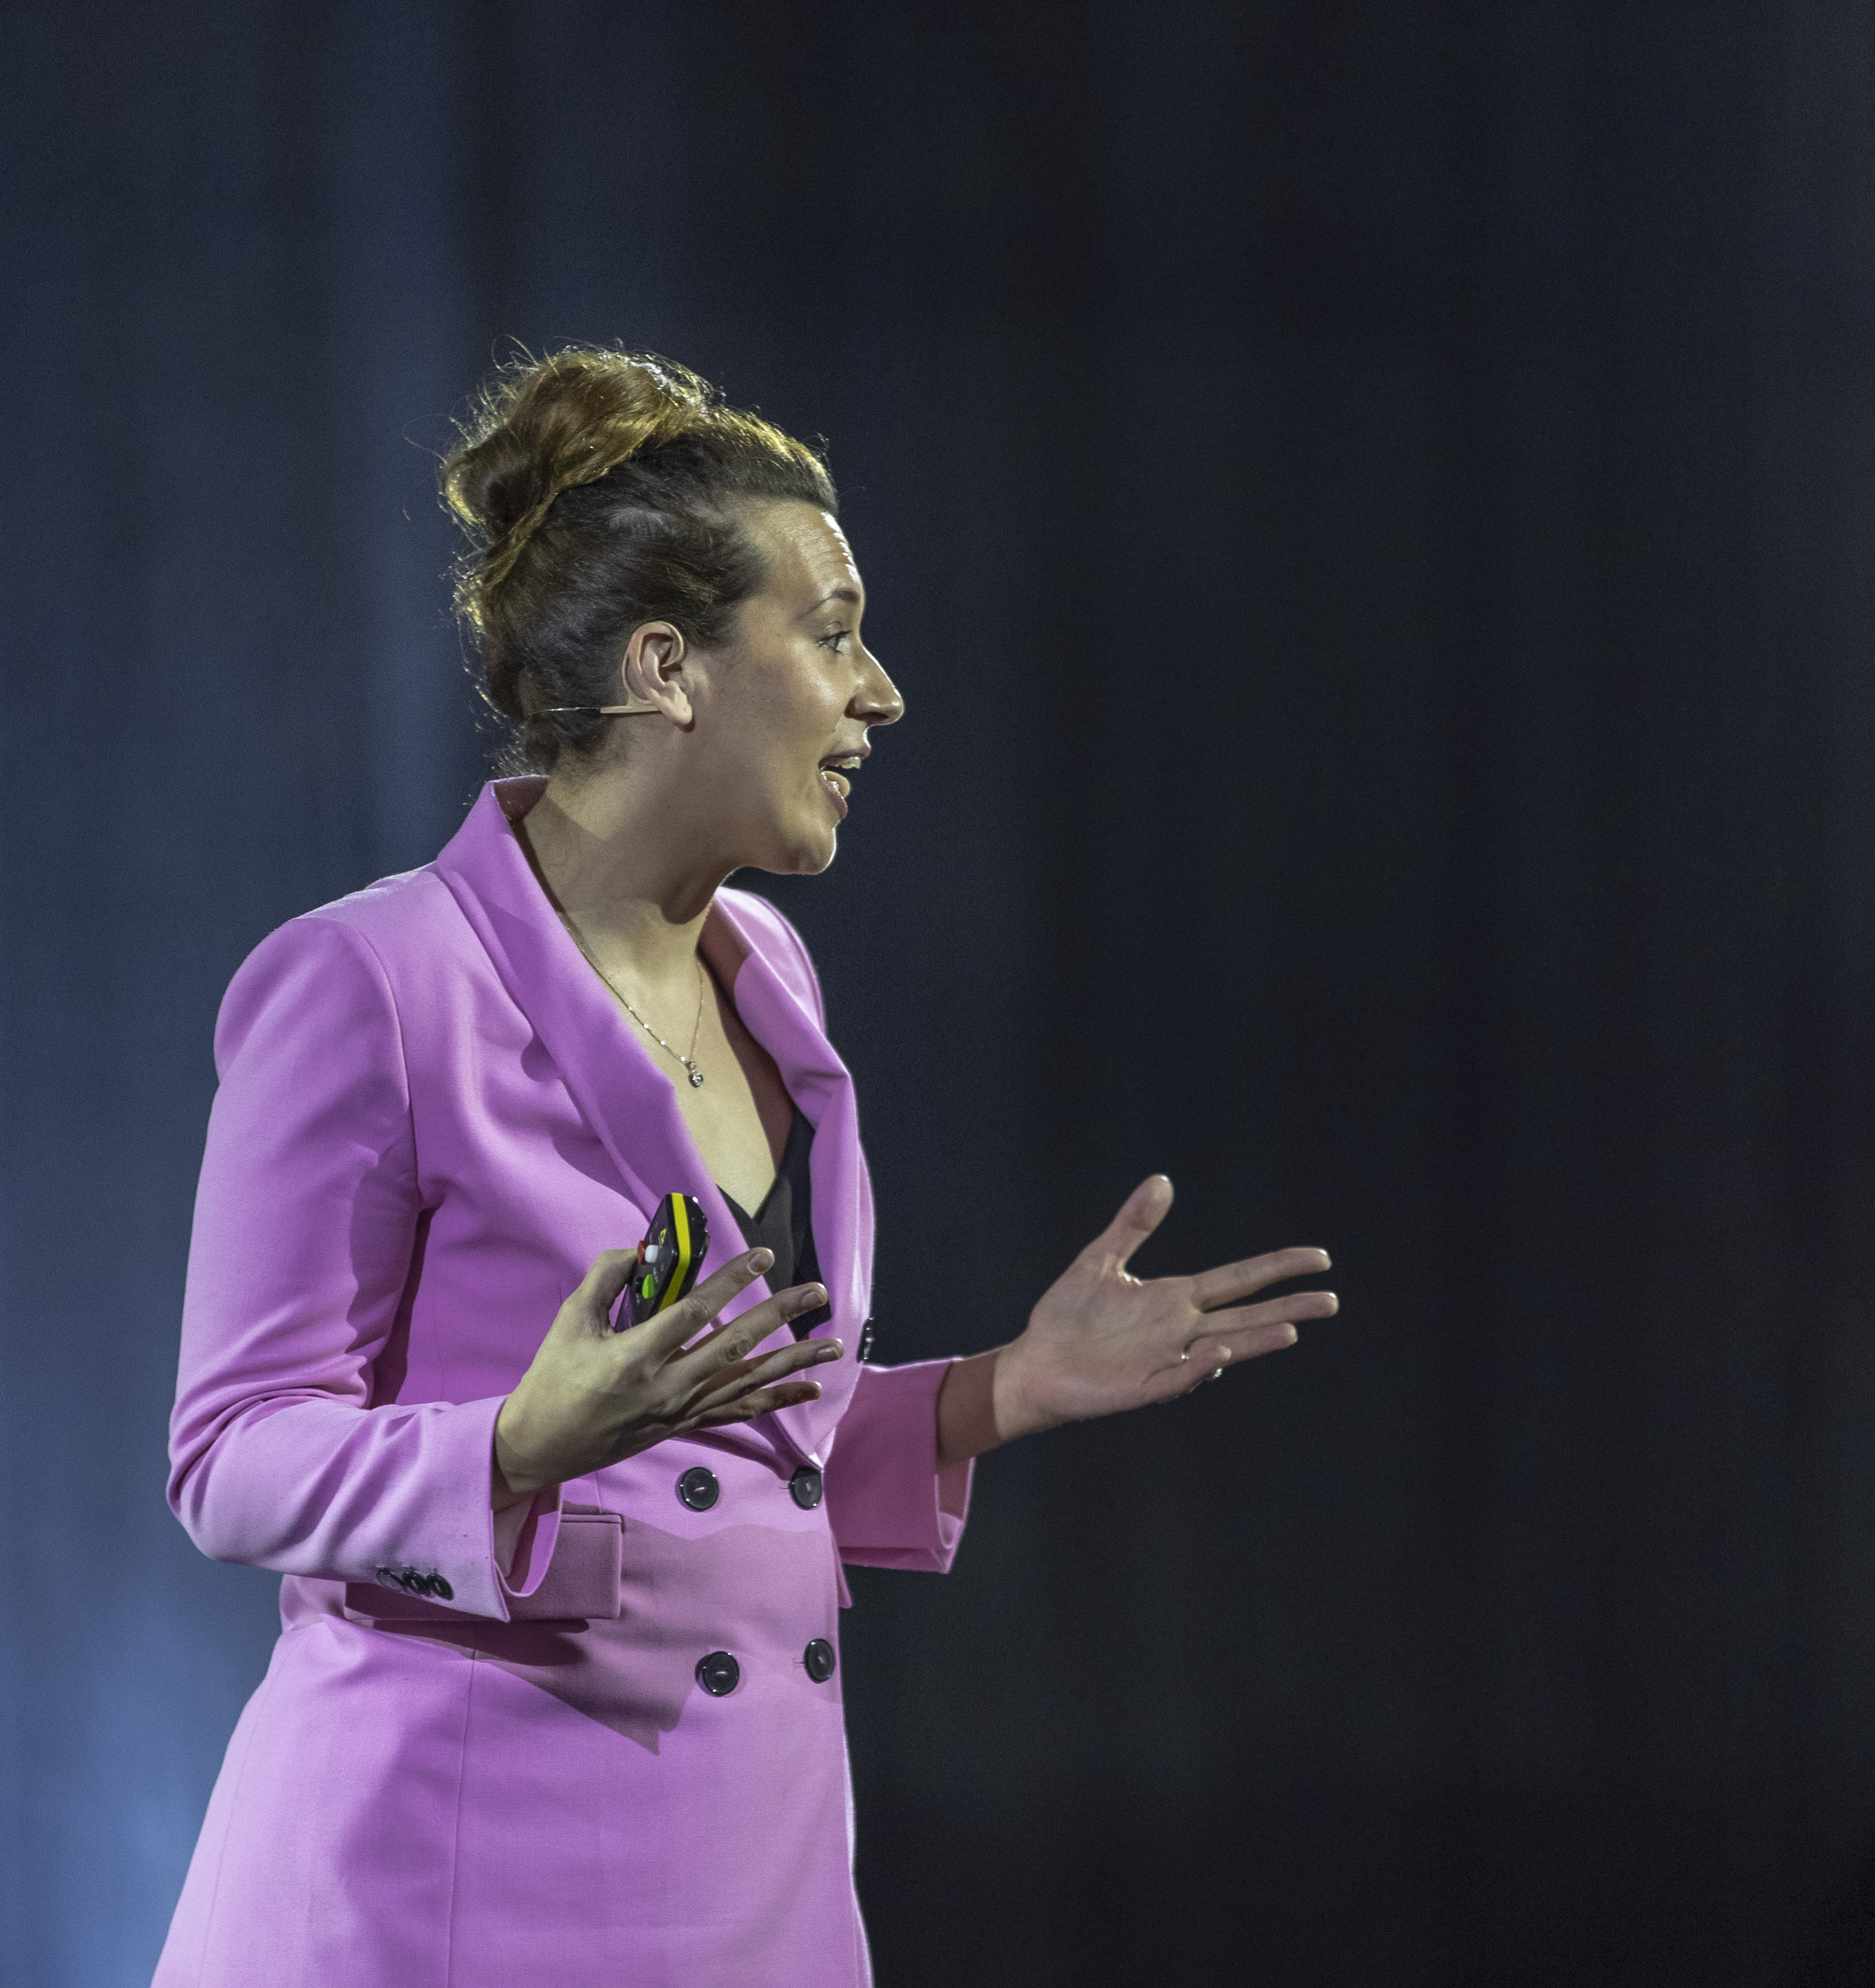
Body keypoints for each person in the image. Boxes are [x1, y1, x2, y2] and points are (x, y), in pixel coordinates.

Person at [150, 349, 1336, 1986]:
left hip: (744, 1894)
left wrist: (997, 1391)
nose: (882, 692)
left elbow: (727, 1459)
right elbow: (233, 1457)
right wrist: (511, 1444)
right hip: (446, 1887)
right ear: (670, 667)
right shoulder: (371, 982)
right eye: (835, 630)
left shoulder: (767, 970)